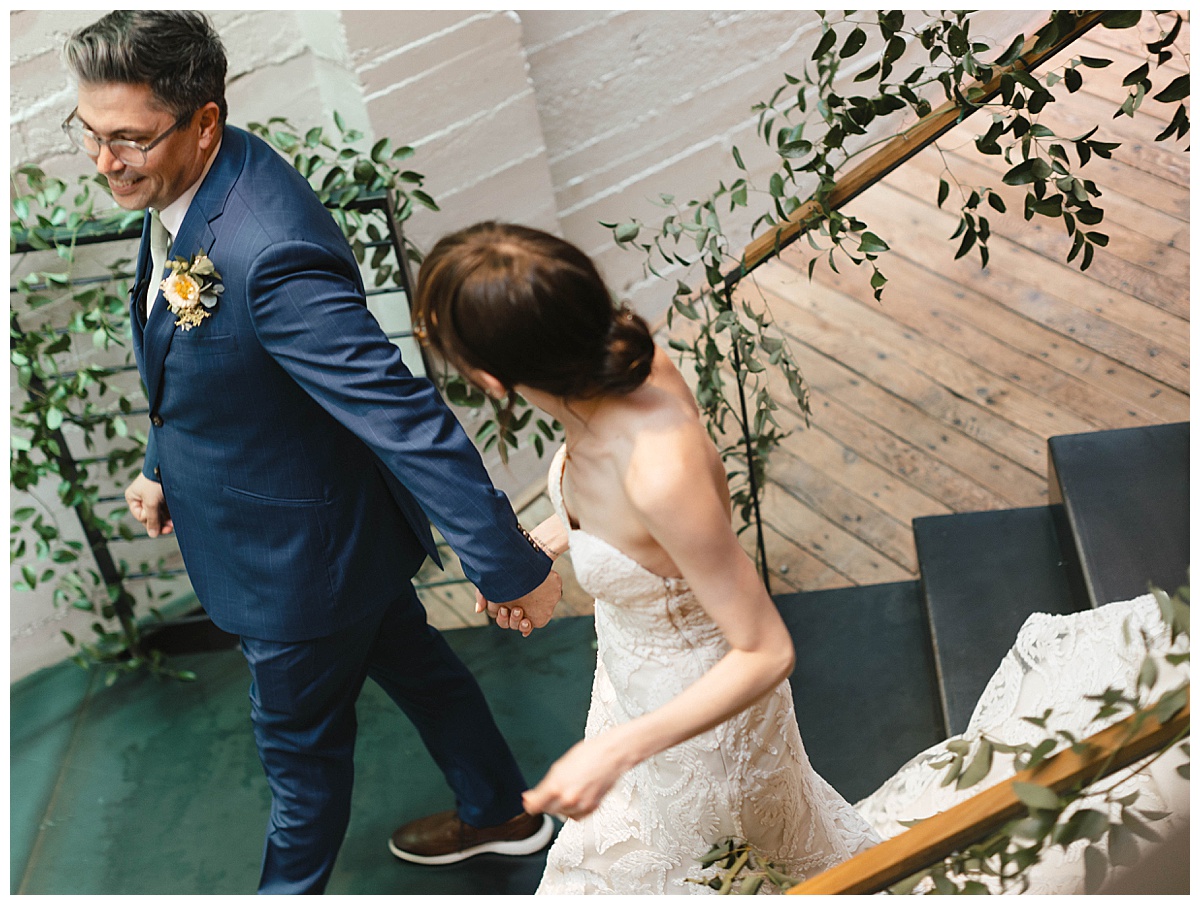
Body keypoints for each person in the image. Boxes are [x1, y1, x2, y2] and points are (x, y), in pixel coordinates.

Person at [62, 12, 560, 894]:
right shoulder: (191, 183)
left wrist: (508, 564)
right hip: (340, 532)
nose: (106, 162)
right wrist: (157, 461)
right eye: (91, 135)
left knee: (299, 770)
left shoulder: (267, 250)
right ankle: (504, 814)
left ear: (203, 121)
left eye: (128, 140)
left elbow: (403, 412)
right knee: (425, 670)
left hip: (297, 572)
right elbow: (195, 353)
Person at [413, 221, 880, 894]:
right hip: (627, 680)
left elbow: (767, 650)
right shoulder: (602, 368)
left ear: (490, 378)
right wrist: (541, 540)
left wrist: (616, 750)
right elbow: (623, 524)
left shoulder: (660, 468)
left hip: (705, 735)